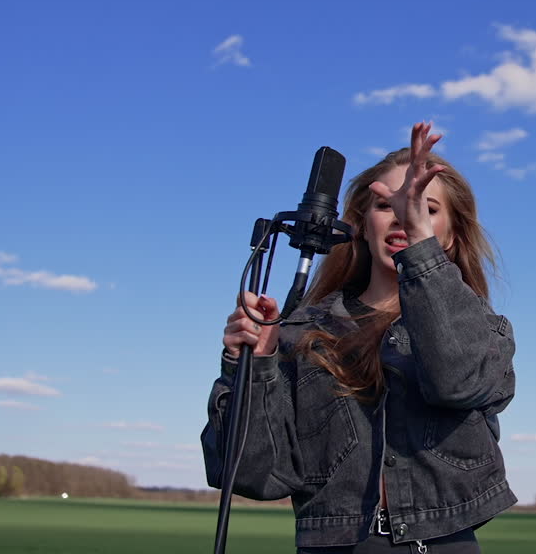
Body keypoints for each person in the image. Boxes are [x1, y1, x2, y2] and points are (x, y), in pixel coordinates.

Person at [202, 122, 517, 553]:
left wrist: (418, 250)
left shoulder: (482, 328)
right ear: (361, 225)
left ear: (450, 236)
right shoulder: (301, 331)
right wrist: (251, 367)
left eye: (425, 208)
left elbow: (456, 381)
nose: (404, 217)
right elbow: (255, 474)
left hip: (443, 542)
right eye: (387, 205)